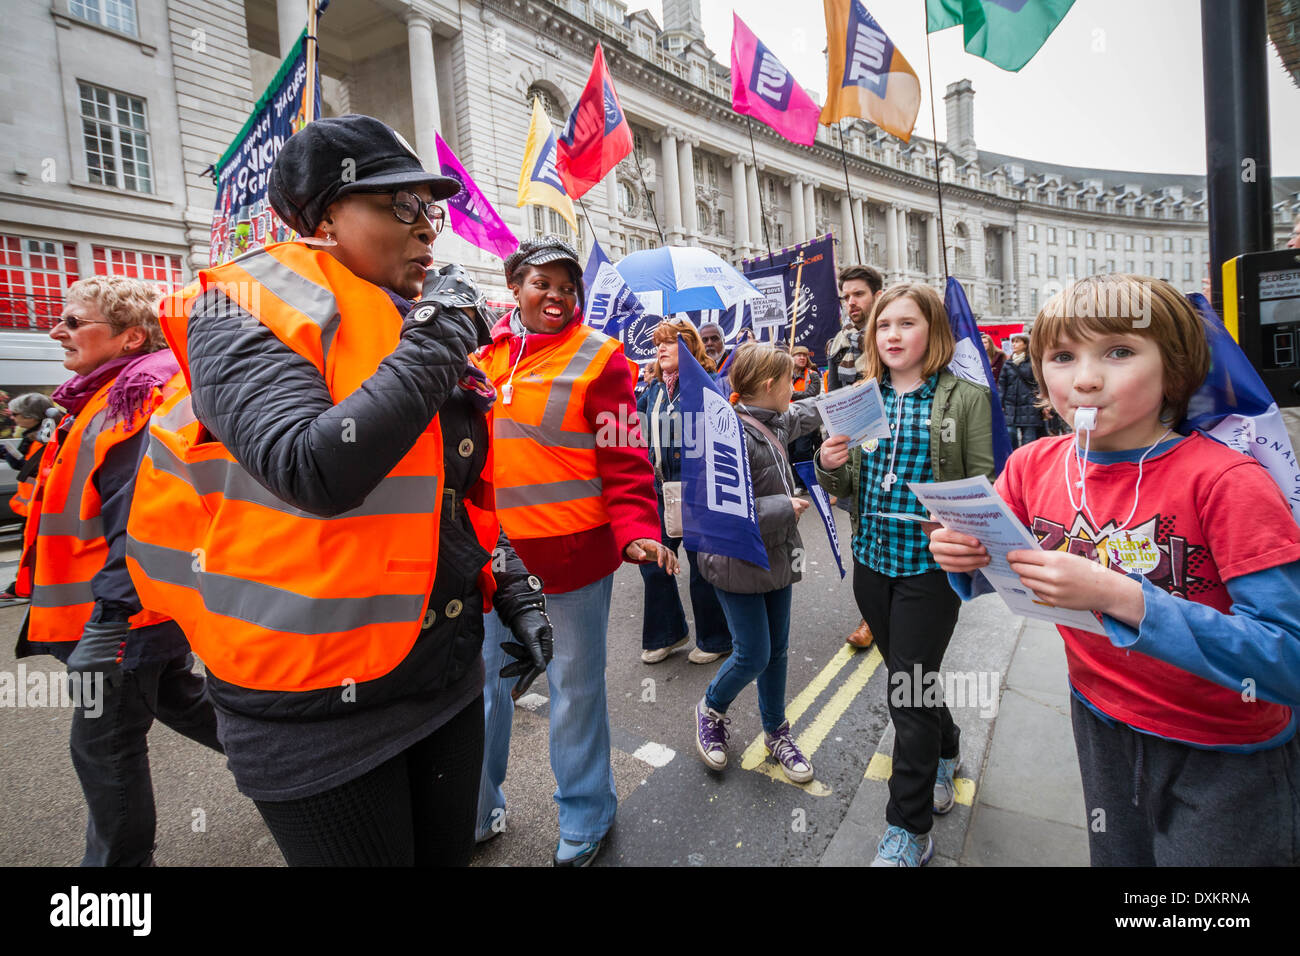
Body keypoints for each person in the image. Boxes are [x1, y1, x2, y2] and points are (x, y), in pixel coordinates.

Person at [126, 114, 551, 867]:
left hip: (439, 676)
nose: (429, 231)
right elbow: (313, 469)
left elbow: (443, 494)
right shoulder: (242, 304)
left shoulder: (401, 320)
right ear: (325, 217)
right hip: (315, 709)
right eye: (404, 206)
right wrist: (444, 330)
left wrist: (509, 585)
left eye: (434, 210)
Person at [930, 275, 1300, 866]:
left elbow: (1288, 656)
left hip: (1225, 747)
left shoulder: (1227, 482)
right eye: (1062, 356)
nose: (1084, 379)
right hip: (1100, 714)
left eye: (1119, 352)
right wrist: (964, 556)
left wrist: (1127, 599)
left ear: (1174, 370)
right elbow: (1001, 561)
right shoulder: (1031, 465)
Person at [475, 235, 676, 867]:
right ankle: (479, 810)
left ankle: (587, 815)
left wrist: (639, 529)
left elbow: (626, 461)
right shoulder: (483, 359)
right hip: (492, 561)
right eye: (543, 283)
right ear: (515, 287)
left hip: (572, 563)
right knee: (485, 689)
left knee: (574, 690)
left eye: (568, 286)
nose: (557, 295)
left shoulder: (603, 359)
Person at [14, 275, 222, 866]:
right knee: (181, 702)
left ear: (131, 337)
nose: (58, 330)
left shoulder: (137, 395)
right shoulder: (113, 394)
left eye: (75, 321)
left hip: (122, 618)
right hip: (124, 612)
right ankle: (292, 760)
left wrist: (110, 619)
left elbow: (140, 520)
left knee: (104, 748)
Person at [815, 282, 993, 867]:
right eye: (884, 325)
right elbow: (845, 491)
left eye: (906, 323)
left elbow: (981, 486)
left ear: (932, 332)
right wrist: (827, 463)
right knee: (909, 678)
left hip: (929, 571)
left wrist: (954, 525)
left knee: (904, 696)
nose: (892, 334)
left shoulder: (963, 398)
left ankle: (907, 828)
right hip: (873, 562)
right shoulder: (860, 397)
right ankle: (948, 749)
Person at [693, 343, 823, 783]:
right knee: (753, 654)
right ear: (770, 386)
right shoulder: (725, 432)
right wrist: (785, 507)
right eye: (790, 381)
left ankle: (775, 731)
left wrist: (861, 393)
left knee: (779, 652)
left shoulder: (774, 419)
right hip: (737, 562)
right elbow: (723, 511)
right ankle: (711, 708)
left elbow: (807, 412)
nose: (795, 388)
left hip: (777, 558)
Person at [636, 319, 733, 665]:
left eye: (669, 343)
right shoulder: (655, 390)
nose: (660, 349)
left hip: (697, 492)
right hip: (661, 492)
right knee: (652, 561)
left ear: (689, 347)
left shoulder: (706, 386)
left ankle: (717, 638)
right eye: (657, 344)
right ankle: (668, 633)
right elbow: (638, 428)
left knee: (701, 568)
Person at [2, 393, 56, 601]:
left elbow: (30, 468)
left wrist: (9, 454)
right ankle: (24, 585)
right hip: (32, 505)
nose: (12, 418)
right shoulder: (34, 437)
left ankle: (22, 586)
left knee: (33, 548)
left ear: (32, 416)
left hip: (41, 505)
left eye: (16, 414)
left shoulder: (44, 438)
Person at [826, 265, 883, 391]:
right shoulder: (838, 342)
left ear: (878, 296)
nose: (851, 302)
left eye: (858, 294)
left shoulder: (890, 338)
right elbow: (834, 394)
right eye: (846, 297)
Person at [999, 333, 1044, 448]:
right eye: (1013, 342)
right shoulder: (1008, 363)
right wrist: (1000, 402)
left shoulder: (1033, 362)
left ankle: (1028, 463)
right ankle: (1013, 458)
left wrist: (1039, 399)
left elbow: (1039, 382)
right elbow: (1002, 384)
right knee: (1010, 433)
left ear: (1025, 344)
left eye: (1017, 342)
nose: (1013, 344)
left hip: (1029, 404)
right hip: (1011, 405)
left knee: (1029, 440)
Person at [787, 346, 822, 486]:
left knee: (803, 451)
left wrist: (790, 394)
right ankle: (798, 483)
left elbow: (811, 394)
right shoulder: (785, 374)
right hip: (788, 417)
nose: (802, 358)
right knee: (790, 452)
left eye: (804, 355)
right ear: (791, 357)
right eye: (798, 355)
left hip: (806, 419)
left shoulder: (812, 375)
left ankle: (810, 481)